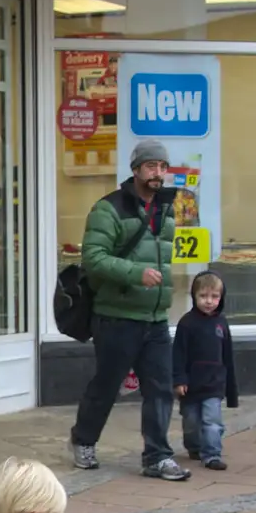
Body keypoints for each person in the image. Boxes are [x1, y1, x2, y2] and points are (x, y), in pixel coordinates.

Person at [69, 139, 189, 482]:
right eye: (151, 166)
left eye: (163, 167)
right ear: (135, 169)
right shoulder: (108, 209)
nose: (158, 173)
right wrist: (136, 273)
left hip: (154, 318)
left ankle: (157, 456)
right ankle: (84, 439)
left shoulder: (166, 209)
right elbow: (92, 258)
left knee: (160, 388)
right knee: (106, 385)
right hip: (116, 316)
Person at [172, 271, 238, 472]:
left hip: (214, 384)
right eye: (203, 296)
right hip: (191, 384)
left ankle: (212, 455)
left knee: (212, 421)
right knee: (191, 422)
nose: (208, 301)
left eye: (214, 296)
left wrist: (231, 391)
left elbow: (228, 356)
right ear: (194, 296)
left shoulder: (221, 323)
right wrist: (179, 380)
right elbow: (178, 354)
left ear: (221, 297)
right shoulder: (187, 323)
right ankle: (194, 446)